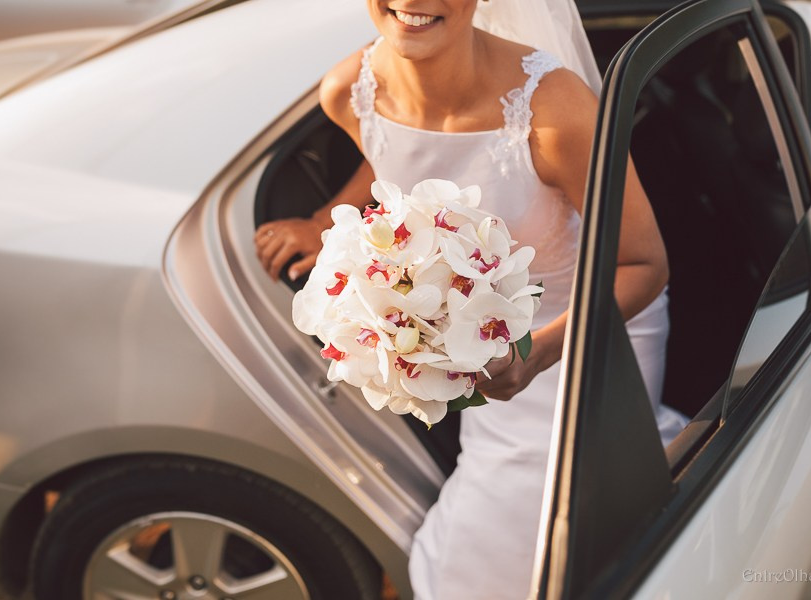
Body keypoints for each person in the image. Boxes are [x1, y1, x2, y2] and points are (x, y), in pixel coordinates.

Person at [255, 1, 688, 597]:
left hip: (587, 326)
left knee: (533, 538)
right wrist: (322, 220)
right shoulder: (347, 91)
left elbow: (643, 265)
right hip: (480, 352)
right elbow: (391, 156)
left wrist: (535, 354)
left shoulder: (553, 111)